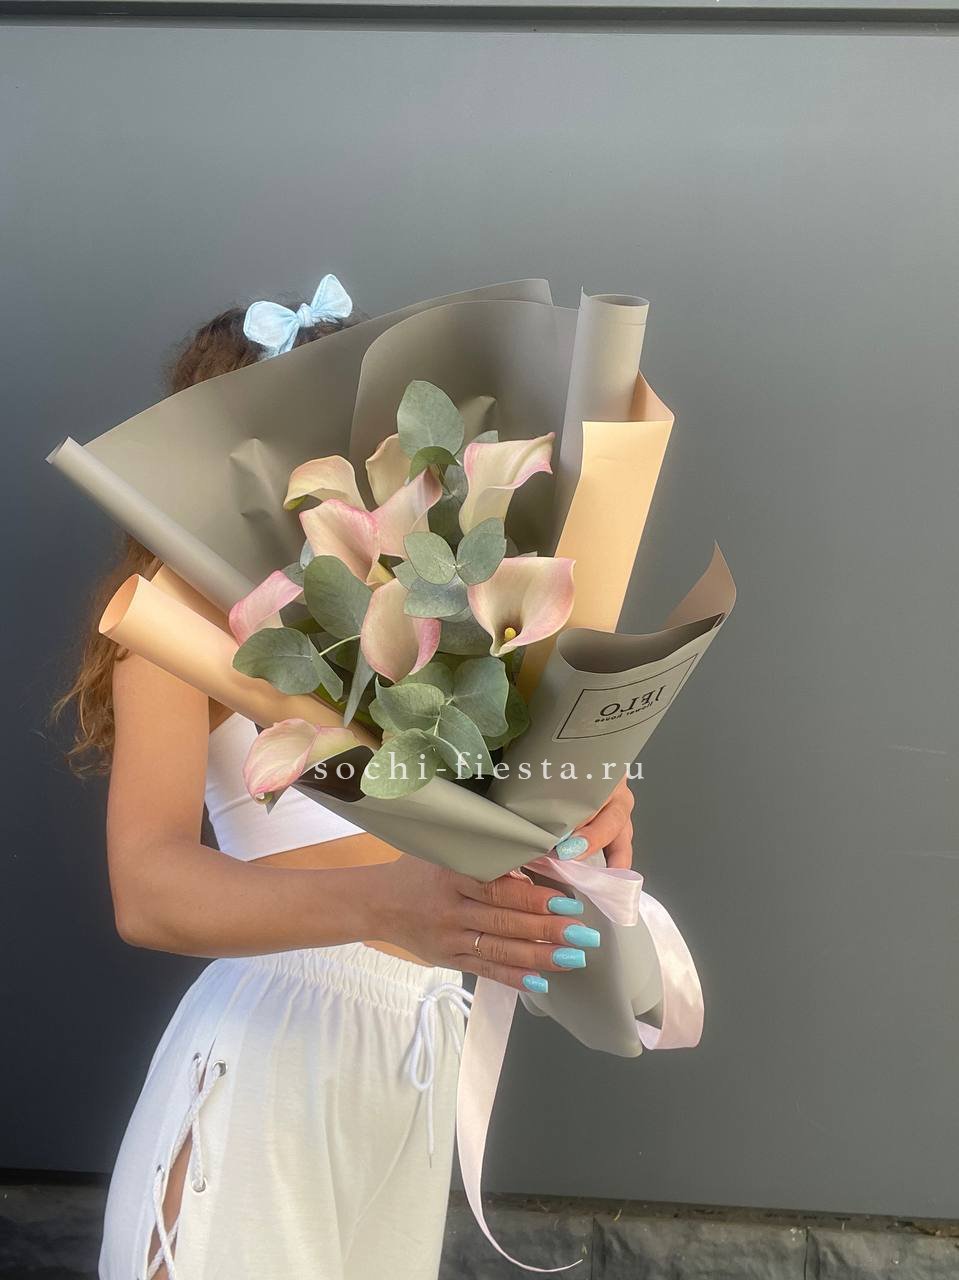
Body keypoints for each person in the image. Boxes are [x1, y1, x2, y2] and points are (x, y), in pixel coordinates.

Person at [50, 276, 636, 1280]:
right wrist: (386, 904)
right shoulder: (177, 615)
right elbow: (145, 885)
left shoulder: (422, 600)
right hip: (276, 1051)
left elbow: (478, 819)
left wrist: (575, 795)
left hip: (414, 1062)